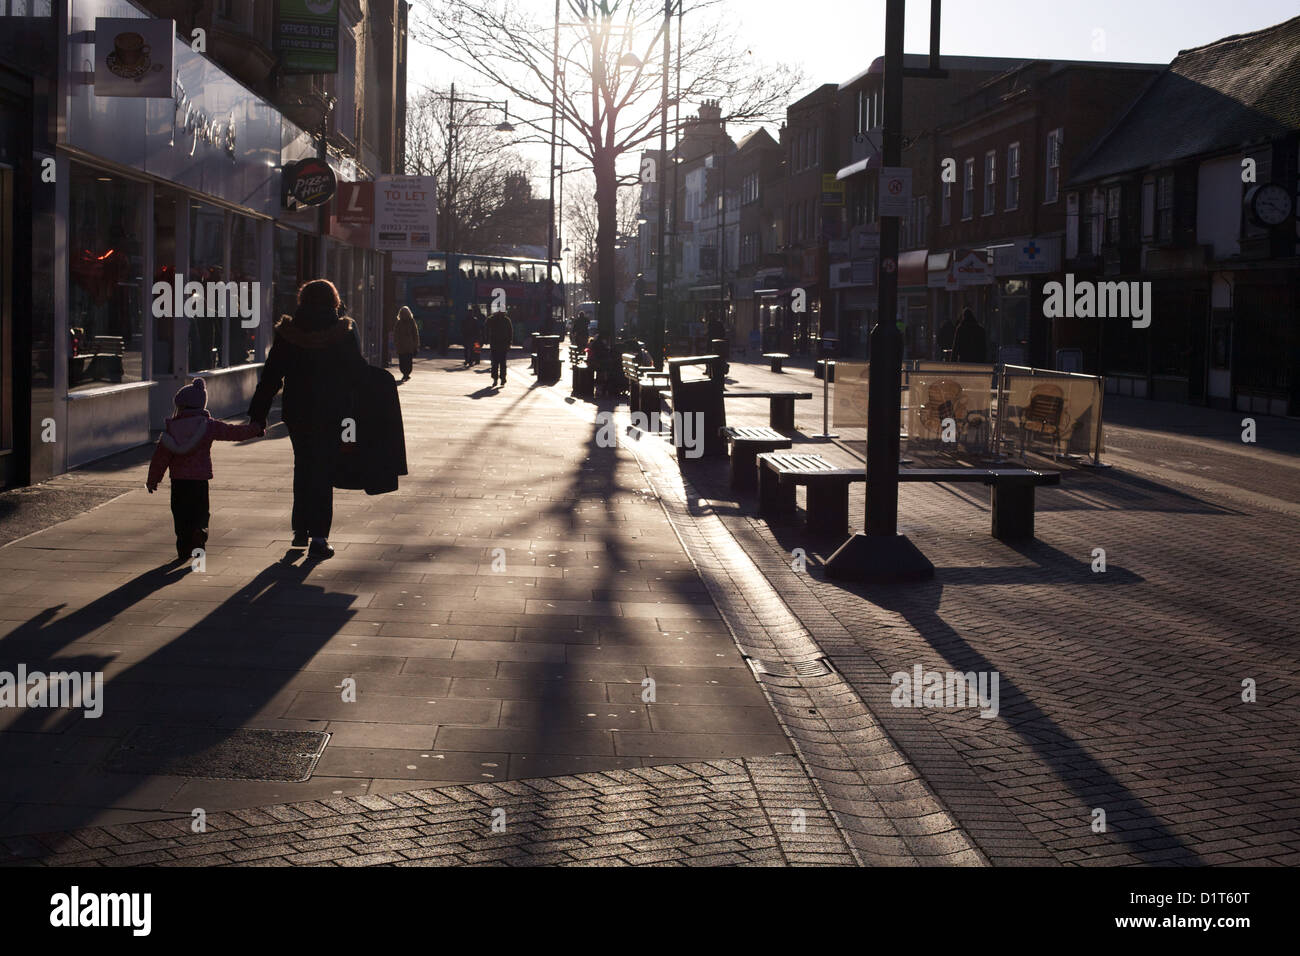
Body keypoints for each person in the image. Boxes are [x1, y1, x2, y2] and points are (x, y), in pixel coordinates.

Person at [248, 280, 368, 560]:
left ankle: (300, 530)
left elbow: (272, 374)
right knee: (323, 470)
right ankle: (319, 537)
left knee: (303, 465)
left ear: (302, 300)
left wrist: (258, 414)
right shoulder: (342, 332)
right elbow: (357, 374)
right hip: (331, 411)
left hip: (297, 411)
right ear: (334, 301)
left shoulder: (289, 333)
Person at [147, 377, 263, 563]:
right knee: (201, 513)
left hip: (179, 482)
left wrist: (153, 480)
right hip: (199, 481)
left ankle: (183, 552)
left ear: (182, 406)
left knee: (181, 515)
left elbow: (160, 458)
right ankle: (199, 549)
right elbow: (233, 432)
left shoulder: (171, 430)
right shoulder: (208, 426)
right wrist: (255, 429)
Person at [486, 306, 514, 387]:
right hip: (500, 344)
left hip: (498, 344)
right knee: (500, 363)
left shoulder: (502, 320)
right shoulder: (504, 320)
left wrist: (509, 342)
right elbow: (510, 332)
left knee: (497, 363)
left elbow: (510, 332)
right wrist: (509, 343)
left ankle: (499, 379)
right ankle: (501, 379)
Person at [393, 306, 419, 382]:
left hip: (408, 346)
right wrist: (396, 342)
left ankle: (406, 373)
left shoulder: (411, 321)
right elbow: (396, 333)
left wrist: (416, 345)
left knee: (407, 361)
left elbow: (415, 333)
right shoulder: (399, 323)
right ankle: (405, 373)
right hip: (402, 346)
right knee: (403, 361)